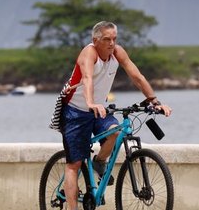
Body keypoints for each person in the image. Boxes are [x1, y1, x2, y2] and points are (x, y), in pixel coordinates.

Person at [59, 21, 172, 210]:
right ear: (95, 40)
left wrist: (155, 102)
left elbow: (137, 76)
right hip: (75, 111)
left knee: (115, 132)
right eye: (106, 39)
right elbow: (87, 79)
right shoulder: (89, 53)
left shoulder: (117, 53)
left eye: (114, 39)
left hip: (99, 109)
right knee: (74, 164)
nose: (111, 43)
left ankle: (99, 162)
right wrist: (90, 103)